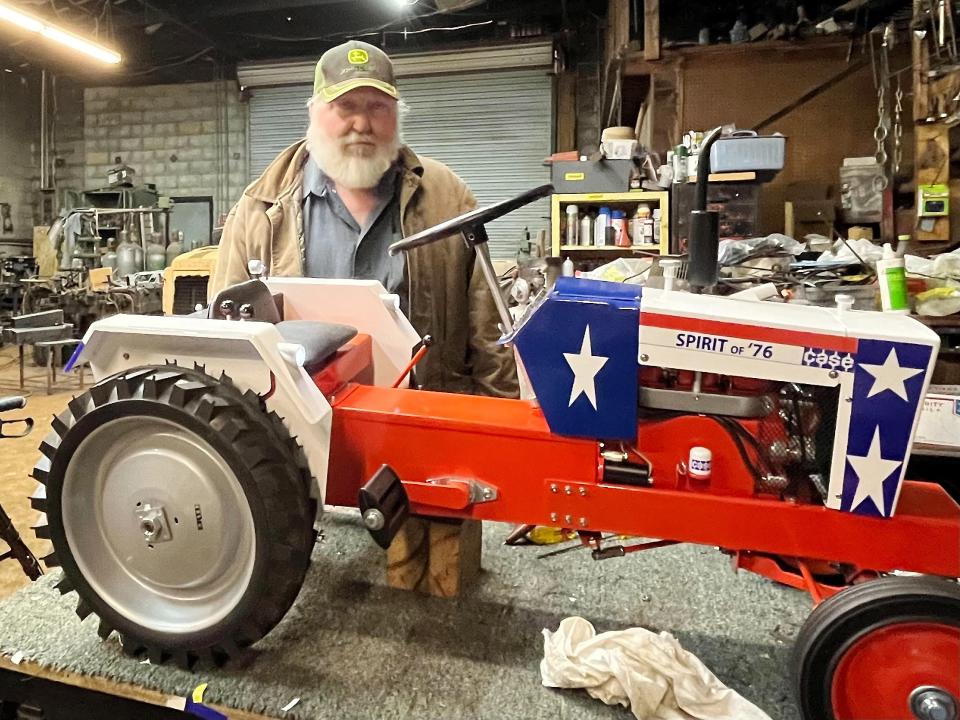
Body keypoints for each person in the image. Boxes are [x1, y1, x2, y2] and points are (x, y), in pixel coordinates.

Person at [212, 41, 517, 398]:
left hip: (423, 418)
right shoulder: (258, 211)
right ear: (314, 113)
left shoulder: (448, 198)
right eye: (346, 107)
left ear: (397, 114)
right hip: (302, 429)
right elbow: (225, 341)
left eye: (378, 107)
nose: (362, 123)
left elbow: (489, 336)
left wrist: (498, 423)